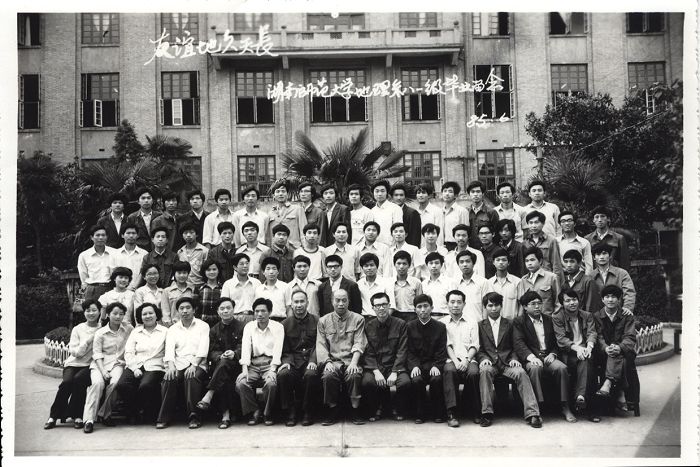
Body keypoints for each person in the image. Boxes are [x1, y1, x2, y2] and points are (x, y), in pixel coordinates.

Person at [476, 292, 542, 428]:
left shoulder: (510, 324)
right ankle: (486, 413)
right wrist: (483, 359)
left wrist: (514, 358)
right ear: (485, 307)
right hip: (490, 362)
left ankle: (532, 413)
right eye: (490, 305)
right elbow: (480, 348)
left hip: (508, 363)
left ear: (501, 306)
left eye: (496, 305)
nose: (493, 308)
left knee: (521, 373)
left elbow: (516, 344)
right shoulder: (480, 325)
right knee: (484, 371)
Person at [513, 291, 576, 423]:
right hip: (531, 357)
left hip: (548, 356)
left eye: (539, 303)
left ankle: (565, 406)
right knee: (535, 369)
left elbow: (556, 341)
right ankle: (537, 408)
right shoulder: (519, 322)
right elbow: (519, 343)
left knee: (561, 368)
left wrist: (553, 354)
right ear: (525, 307)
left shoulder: (549, 319)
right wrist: (532, 357)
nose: (537, 307)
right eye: (533, 304)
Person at [44, 299, 101, 430]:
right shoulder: (78, 329)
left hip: (89, 365)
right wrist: (88, 341)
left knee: (79, 380)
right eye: (88, 310)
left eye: (94, 310)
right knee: (67, 382)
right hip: (73, 363)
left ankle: (78, 415)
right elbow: (75, 353)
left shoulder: (102, 329)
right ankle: (53, 416)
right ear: (84, 312)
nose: (91, 313)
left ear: (99, 312)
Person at [156, 297, 210, 429]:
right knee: (169, 378)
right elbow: (169, 351)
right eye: (181, 308)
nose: (185, 311)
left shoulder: (203, 326)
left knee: (191, 376)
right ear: (178, 311)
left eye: (188, 308)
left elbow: (203, 349)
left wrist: (194, 365)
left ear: (194, 310)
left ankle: (194, 417)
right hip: (178, 363)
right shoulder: (173, 329)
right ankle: (164, 417)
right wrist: (171, 367)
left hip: (198, 363)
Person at [316, 289, 367, 425]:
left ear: (349, 301)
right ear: (332, 301)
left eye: (344, 300)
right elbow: (321, 345)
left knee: (354, 375)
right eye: (337, 300)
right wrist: (327, 362)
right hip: (333, 361)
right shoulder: (323, 321)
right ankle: (333, 409)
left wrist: (354, 363)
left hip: (351, 360)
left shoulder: (358, 319)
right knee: (328, 376)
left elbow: (359, 342)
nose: (341, 303)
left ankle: (355, 409)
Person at [196, 297, 247, 429]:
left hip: (238, 365)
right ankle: (226, 415)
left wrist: (235, 353)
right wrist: (220, 356)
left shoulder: (243, 327)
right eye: (222, 309)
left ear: (233, 310)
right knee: (224, 373)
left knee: (223, 371)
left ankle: (211, 395)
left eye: (228, 308)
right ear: (218, 312)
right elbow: (211, 351)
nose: (225, 311)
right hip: (220, 366)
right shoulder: (214, 330)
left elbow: (245, 346)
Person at [82, 302, 133, 433]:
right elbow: (97, 353)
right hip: (100, 364)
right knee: (97, 384)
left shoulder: (128, 329)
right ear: (109, 314)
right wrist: (103, 371)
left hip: (118, 363)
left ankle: (105, 414)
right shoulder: (100, 332)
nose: (118, 316)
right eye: (115, 313)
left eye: (121, 314)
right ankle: (89, 420)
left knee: (115, 383)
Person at [361, 292, 411, 422]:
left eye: (384, 304)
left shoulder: (401, 324)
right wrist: (375, 371)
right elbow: (368, 351)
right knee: (367, 382)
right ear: (373, 308)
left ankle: (396, 408)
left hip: (395, 366)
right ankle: (376, 407)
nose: (381, 308)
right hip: (376, 366)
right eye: (377, 305)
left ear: (389, 305)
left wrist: (395, 371)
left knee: (405, 383)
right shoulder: (368, 326)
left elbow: (402, 350)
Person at [115, 303, 167, 425]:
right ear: (140, 316)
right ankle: (133, 412)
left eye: (151, 313)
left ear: (156, 315)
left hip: (155, 365)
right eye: (144, 314)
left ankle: (148, 412)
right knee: (122, 385)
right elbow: (129, 352)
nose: (148, 316)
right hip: (136, 364)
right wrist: (134, 368)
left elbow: (168, 351)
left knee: (146, 385)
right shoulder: (136, 331)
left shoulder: (165, 331)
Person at [236, 297, 285, 426]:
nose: (260, 314)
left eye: (263, 311)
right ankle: (255, 411)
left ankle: (267, 413)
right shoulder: (249, 326)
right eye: (257, 311)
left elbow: (278, 349)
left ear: (270, 312)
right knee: (241, 383)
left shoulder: (278, 327)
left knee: (271, 384)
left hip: (270, 363)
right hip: (253, 364)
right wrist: (244, 369)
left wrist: (273, 370)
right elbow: (246, 348)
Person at [552, 289, 598, 422]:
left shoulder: (587, 315)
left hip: (585, 351)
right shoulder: (557, 317)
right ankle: (585, 403)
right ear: (562, 303)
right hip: (569, 353)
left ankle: (580, 397)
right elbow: (561, 339)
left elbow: (592, 333)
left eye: (574, 299)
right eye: (567, 301)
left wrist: (588, 347)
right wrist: (577, 349)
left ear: (579, 300)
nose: (572, 303)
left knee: (586, 360)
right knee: (586, 362)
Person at [593, 285, 639, 414]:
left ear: (619, 300)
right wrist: (605, 348)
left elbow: (630, 337)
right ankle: (620, 393)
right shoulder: (597, 316)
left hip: (624, 351)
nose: (610, 300)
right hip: (604, 352)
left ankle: (608, 382)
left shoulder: (626, 316)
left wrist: (620, 347)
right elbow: (598, 336)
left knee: (620, 355)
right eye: (607, 297)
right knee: (614, 355)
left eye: (614, 297)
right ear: (602, 299)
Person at [278, 290, 321, 426]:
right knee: (284, 374)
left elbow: (320, 344)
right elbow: (284, 348)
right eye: (296, 302)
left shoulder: (317, 321)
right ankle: (291, 411)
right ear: (291, 304)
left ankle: (308, 411)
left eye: (302, 301)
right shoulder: (284, 324)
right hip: (293, 361)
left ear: (307, 303)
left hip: (311, 359)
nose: (299, 305)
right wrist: (287, 362)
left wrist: (313, 360)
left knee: (311, 375)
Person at [440, 289, 481, 427]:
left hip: (469, 358)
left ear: (464, 304)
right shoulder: (442, 323)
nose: (455, 305)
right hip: (450, 359)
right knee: (449, 371)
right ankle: (452, 412)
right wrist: (456, 361)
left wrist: (466, 360)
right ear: (447, 304)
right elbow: (447, 345)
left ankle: (472, 409)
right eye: (452, 302)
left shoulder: (472, 321)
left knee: (473, 373)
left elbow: (475, 344)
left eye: (459, 302)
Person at [405, 294, 449, 424]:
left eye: (426, 306)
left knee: (436, 379)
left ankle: (437, 413)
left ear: (432, 308)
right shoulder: (409, 326)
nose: (423, 310)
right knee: (416, 379)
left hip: (433, 364)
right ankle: (420, 413)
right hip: (417, 365)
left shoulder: (440, 327)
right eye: (419, 307)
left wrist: (437, 365)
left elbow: (441, 350)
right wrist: (414, 366)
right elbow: (409, 350)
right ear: (415, 310)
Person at [590, 243, 636, 314]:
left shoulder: (621, 273)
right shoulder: (590, 276)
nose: (601, 257)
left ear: (610, 256)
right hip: (597, 315)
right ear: (594, 258)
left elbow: (629, 292)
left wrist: (627, 307)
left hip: (618, 313)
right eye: (598, 254)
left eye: (604, 253)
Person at [517, 246, 561, 316]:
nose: (529, 263)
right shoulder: (523, 280)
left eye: (532, 260)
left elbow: (558, 303)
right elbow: (522, 305)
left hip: (548, 319)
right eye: (526, 261)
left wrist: (553, 318)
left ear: (540, 261)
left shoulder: (552, 277)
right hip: (529, 320)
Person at [78, 225, 117, 302]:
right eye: (97, 235)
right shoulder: (84, 255)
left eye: (103, 235)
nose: (100, 237)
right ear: (91, 237)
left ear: (107, 237)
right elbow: (83, 277)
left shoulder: (115, 253)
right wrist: (85, 290)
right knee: (91, 309)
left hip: (110, 288)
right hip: (92, 289)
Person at [585, 205, 631, 271]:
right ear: (593, 220)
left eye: (602, 216)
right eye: (597, 217)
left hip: (614, 275)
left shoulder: (619, 238)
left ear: (608, 219)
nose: (599, 220)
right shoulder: (587, 239)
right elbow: (586, 263)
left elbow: (624, 264)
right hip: (594, 275)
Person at [455, 250, 493, 323]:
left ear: (473, 263)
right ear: (458, 265)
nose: (465, 264)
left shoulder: (483, 282)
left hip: (478, 323)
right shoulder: (455, 283)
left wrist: (484, 324)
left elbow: (486, 306)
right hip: (459, 323)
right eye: (461, 262)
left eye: (468, 261)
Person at [559, 249, 600, 314]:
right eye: (566, 262)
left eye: (572, 261)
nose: (568, 265)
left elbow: (591, 307)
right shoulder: (564, 282)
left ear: (579, 263)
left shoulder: (588, 281)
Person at [522, 211, 562, 276]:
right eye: (531, 223)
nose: (533, 226)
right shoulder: (525, 243)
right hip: (530, 278)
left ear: (543, 223)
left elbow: (556, 264)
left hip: (547, 277)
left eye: (536, 222)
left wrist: (556, 279)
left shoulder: (551, 241)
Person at [269, 180, 307, 249]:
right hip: (276, 249)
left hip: (294, 248)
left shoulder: (298, 209)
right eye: (278, 191)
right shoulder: (270, 213)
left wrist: (305, 249)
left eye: (283, 191)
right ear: (273, 195)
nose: (281, 194)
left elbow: (304, 232)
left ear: (287, 194)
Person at [110, 223, 148, 291]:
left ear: (137, 235)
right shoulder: (115, 254)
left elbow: (143, 273)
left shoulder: (144, 254)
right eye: (128, 233)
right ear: (122, 235)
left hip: (139, 290)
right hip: (119, 290)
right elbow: (112, 272)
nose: (131, 235)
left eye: (133, 233)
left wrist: (134, 287)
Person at [357, 253, 396, 317]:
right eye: (366, 266)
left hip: (381, 319)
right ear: (362, 268)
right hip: (363, 318)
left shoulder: (386, 283)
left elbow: (391, 307)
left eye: (372, 265)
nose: (369, 268)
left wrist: (383, 319)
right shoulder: (358, 284)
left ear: (377, 266)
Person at [488, 247, 522, 320]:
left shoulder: (517, 282)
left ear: (508, 263)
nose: (501, 262)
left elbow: (521, 304)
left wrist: (518, 321)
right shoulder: (488, 283)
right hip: (494, 322)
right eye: (498, 260)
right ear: (493, 262)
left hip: (513, 323)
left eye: (504, 260)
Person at [420, 252, 457, 316]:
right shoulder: (423, 284)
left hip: (446, 316)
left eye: (437, 263)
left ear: (441, 265)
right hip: (428, 317)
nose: (434, 266)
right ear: (427, 265)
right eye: (431, 263)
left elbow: (454, 303)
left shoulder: (450, 282)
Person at [557, 210, 593, 275]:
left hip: (580, 276)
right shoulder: (555, 242)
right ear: (560, 224)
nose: (566, 223)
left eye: (569, 220)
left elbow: (589, 265)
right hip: (562, 276)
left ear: (575, 223)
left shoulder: (584, 242)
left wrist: (586, 279)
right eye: (563, 221)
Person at [254, 256, 290, 321]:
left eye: (274, 269)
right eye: (268, 269)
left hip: (282, 321)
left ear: (278, 271)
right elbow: (257, 309)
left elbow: (289, 308)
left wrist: (289, 323)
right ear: (263, 272)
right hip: (264, 321)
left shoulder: (285, 287)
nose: (271, 272)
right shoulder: (259, 290)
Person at [126, 187, 162, 251]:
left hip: (158, 249)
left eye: (149, 198)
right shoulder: (132, 217)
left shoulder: (159, 216)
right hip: (140, 251)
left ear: (153, 201)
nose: (146, 200)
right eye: (143, 198)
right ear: (138, 201)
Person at [466, 181, 499, 249]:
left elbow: (496, 233)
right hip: (469, 249)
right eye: (472, 192)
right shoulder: (465, 212)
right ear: (469, 194)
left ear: (483, 194)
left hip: (487, 249)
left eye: (478, 192)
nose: (475, 194)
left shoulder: (491, 212)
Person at [391, 250, 423, 321]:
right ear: (394, 265)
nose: (401, 267)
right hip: (395, 315)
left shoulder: (416, 282)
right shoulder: (389, 283)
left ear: (409, 265)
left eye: (404, 264)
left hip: (412, 315)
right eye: (398, 263)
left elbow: (420, 303)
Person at [370, 180, 403, 246]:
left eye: (382, 191)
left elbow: (398, 230)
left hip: (391, 247)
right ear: (373, 193)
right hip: (375, 247)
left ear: (387, 193)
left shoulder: (395, 209)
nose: (379, 194)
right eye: (377, 191)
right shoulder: (371, 211)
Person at [161, 261, 195, 326]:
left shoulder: (193, 289)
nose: (182, 275)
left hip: (191, 325)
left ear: (188, 274)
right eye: (179, 273)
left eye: (184, 273)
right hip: (173, 326)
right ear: (174, 274)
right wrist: (170, 326)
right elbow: (165, 313)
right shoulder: (167, 291)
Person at [176, 222, 209, 288]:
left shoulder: (204, 251)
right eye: (185, 233)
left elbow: (207, 269)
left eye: (191, 232)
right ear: (182, 235)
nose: (188, 235)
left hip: (200, 285)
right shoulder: (180, 252)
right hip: (184, 286)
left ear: (196, 234)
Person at [390, 182, 422, 247]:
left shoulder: (412, 213)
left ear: (405, 197)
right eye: (396, 195)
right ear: (392, 197)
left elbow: (415, 237)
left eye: (401, 195)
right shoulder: (388, 212)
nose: (399, 198)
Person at [298, 182, 329, 248]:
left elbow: (321, 235)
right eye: (301, 191)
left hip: (313, 247)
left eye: (306, 191)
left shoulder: (319, 212)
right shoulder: (297, 210)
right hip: (298, 247)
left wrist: (317, 249)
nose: (303, 194)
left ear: (312, 194)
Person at [194, 258, 224, 325]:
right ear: (204, 272)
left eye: (214, 269)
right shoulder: (199, 289)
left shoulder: (223, 288)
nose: (211, 272)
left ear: (218, 271)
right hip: (202, 324)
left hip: (219, 325)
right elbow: (195, 309)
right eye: (208, 270)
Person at [441, 181, 469, 251]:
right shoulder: (440, 211)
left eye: (450, 191)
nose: (447, 194)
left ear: (456, 195)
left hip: (457, 245)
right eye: (445, 191)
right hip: (442, 246)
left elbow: (465, 232)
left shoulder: (462, 211)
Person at [415, 183, 444, 247]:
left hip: (432, 248)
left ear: (429, 195)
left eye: (423, 193)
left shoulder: (436, 211)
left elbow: (439, 233)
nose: (421, 195)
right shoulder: (415, 212)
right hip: (417, 248)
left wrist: (438, 249)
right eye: (418, 193)